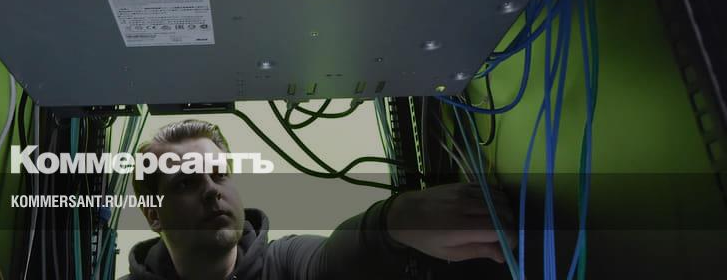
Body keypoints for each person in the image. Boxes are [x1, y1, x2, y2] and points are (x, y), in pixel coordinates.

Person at [122, 119, 514, 280]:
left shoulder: (284, 262)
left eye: (219, 174)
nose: (212, 189)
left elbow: (334, 260)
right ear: (153, 214)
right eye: (187, 183)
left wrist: (394, 219)